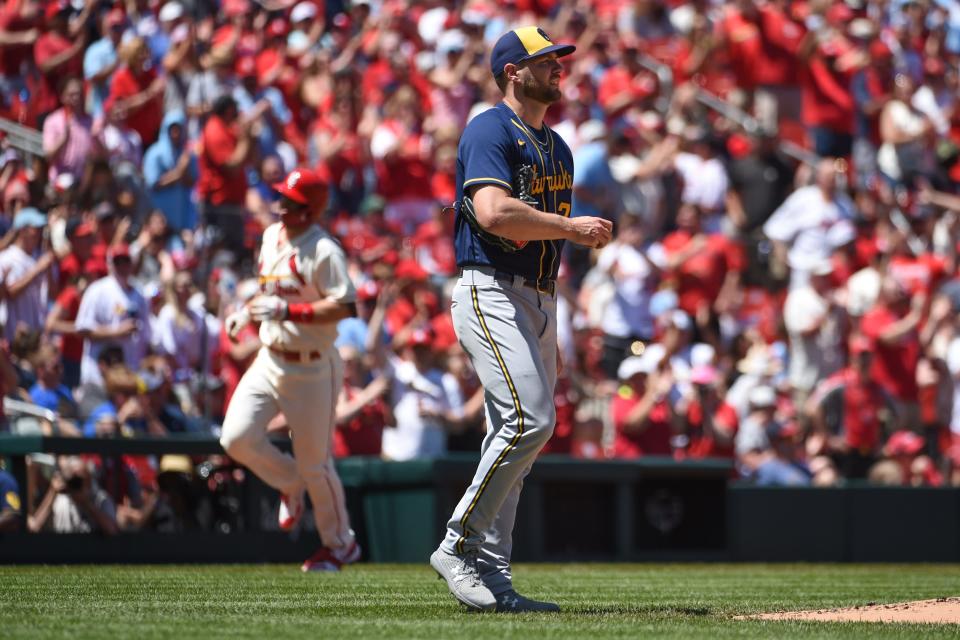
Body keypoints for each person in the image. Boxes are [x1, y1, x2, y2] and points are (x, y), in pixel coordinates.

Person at [430, 26, 612, 613]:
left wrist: (554, 306)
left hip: (537, 297)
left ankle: (494, 576)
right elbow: (492, 213)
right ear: (514, 70)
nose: (559, 68)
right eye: (547, 61)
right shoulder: (489, 127)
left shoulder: (557, 145)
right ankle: (457, 545)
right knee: (530, 422)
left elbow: (540, 232)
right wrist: (570, 227)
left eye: (559, 60)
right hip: (491, 289)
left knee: (518, 440)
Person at [219, 167, 361, 573]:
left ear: (311, 209)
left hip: (314, 368)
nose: (281, 206)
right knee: (235, 438)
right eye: (282, 197)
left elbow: (345, 305)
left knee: (316, 463)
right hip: (270, 357)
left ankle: (340, 545)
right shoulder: (270, 237)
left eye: (292, 202)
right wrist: (247, 312)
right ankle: (288, 482)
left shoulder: (324, 250)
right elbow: (270, 290)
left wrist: (289, 311)